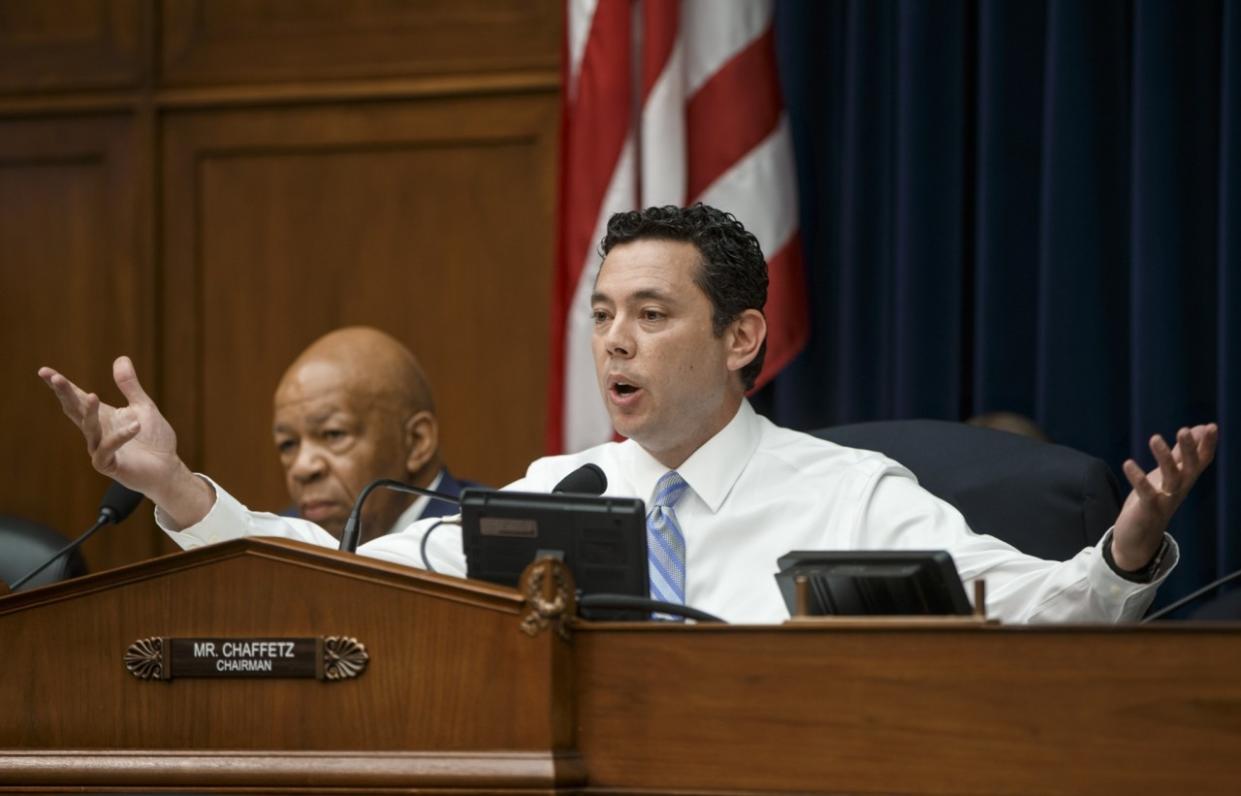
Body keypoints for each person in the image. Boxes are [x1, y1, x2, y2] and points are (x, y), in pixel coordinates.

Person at [39, 205, 1217, 624]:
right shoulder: (559, 490)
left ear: (739, 336)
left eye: (649, 313)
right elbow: (345, 579)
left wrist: (1122, 545)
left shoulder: (848, 495)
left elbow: (1029, 611)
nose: (612, 340)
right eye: (601, 313)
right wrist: (175, 489)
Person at [269, 326, 476, 545]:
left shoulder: (495, 543)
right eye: (288, 444)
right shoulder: (274, 545)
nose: (302, 468)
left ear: (417, 441)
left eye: (333, 434)